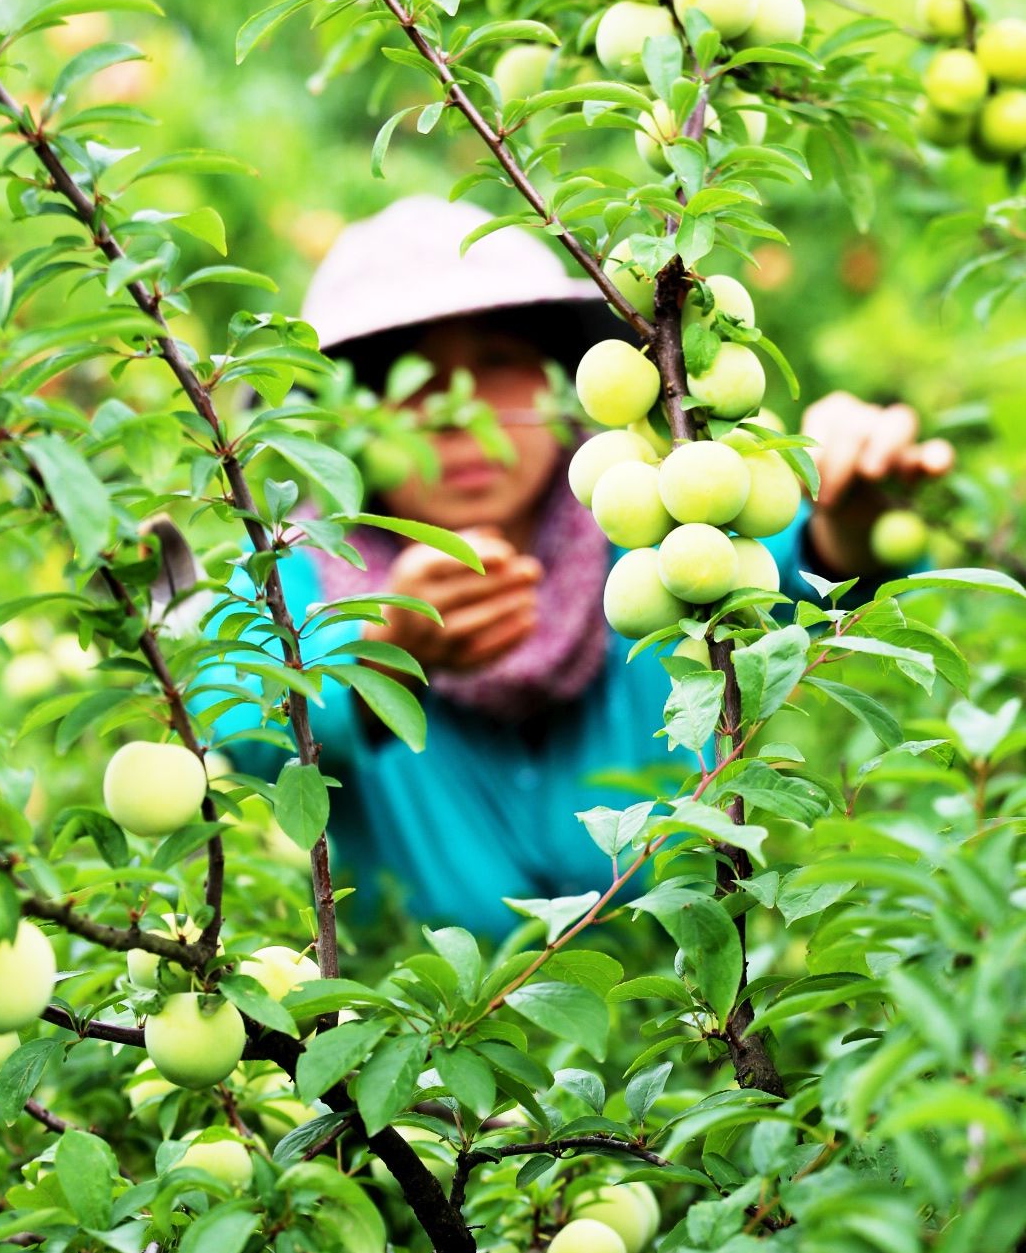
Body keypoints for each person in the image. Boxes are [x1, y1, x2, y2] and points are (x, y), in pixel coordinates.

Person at [204, 197, 953, 939]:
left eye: (496, 362)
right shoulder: (295, 577)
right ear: (349, 420)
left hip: (696, 1031)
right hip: (426, 1038)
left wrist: (846, 516)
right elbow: (233, 714)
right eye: (406, 378)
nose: (459, 413)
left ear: (560, 385)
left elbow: (797, 569)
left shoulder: (652, 523)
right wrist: (378, 662)